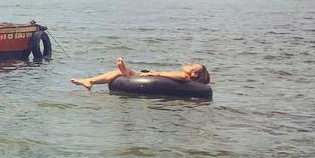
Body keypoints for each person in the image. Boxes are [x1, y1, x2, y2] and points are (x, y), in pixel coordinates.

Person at [70, 58, 210, 90]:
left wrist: (155, 73)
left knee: (122, 72)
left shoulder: (185, 77)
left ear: (195, 75)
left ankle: (89, 81)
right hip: (152, 77)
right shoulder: (185, 76)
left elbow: (183, 77)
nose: (189, 64)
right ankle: (89, 81)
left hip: (152, 79)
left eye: (191, 66)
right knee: (120, 72)